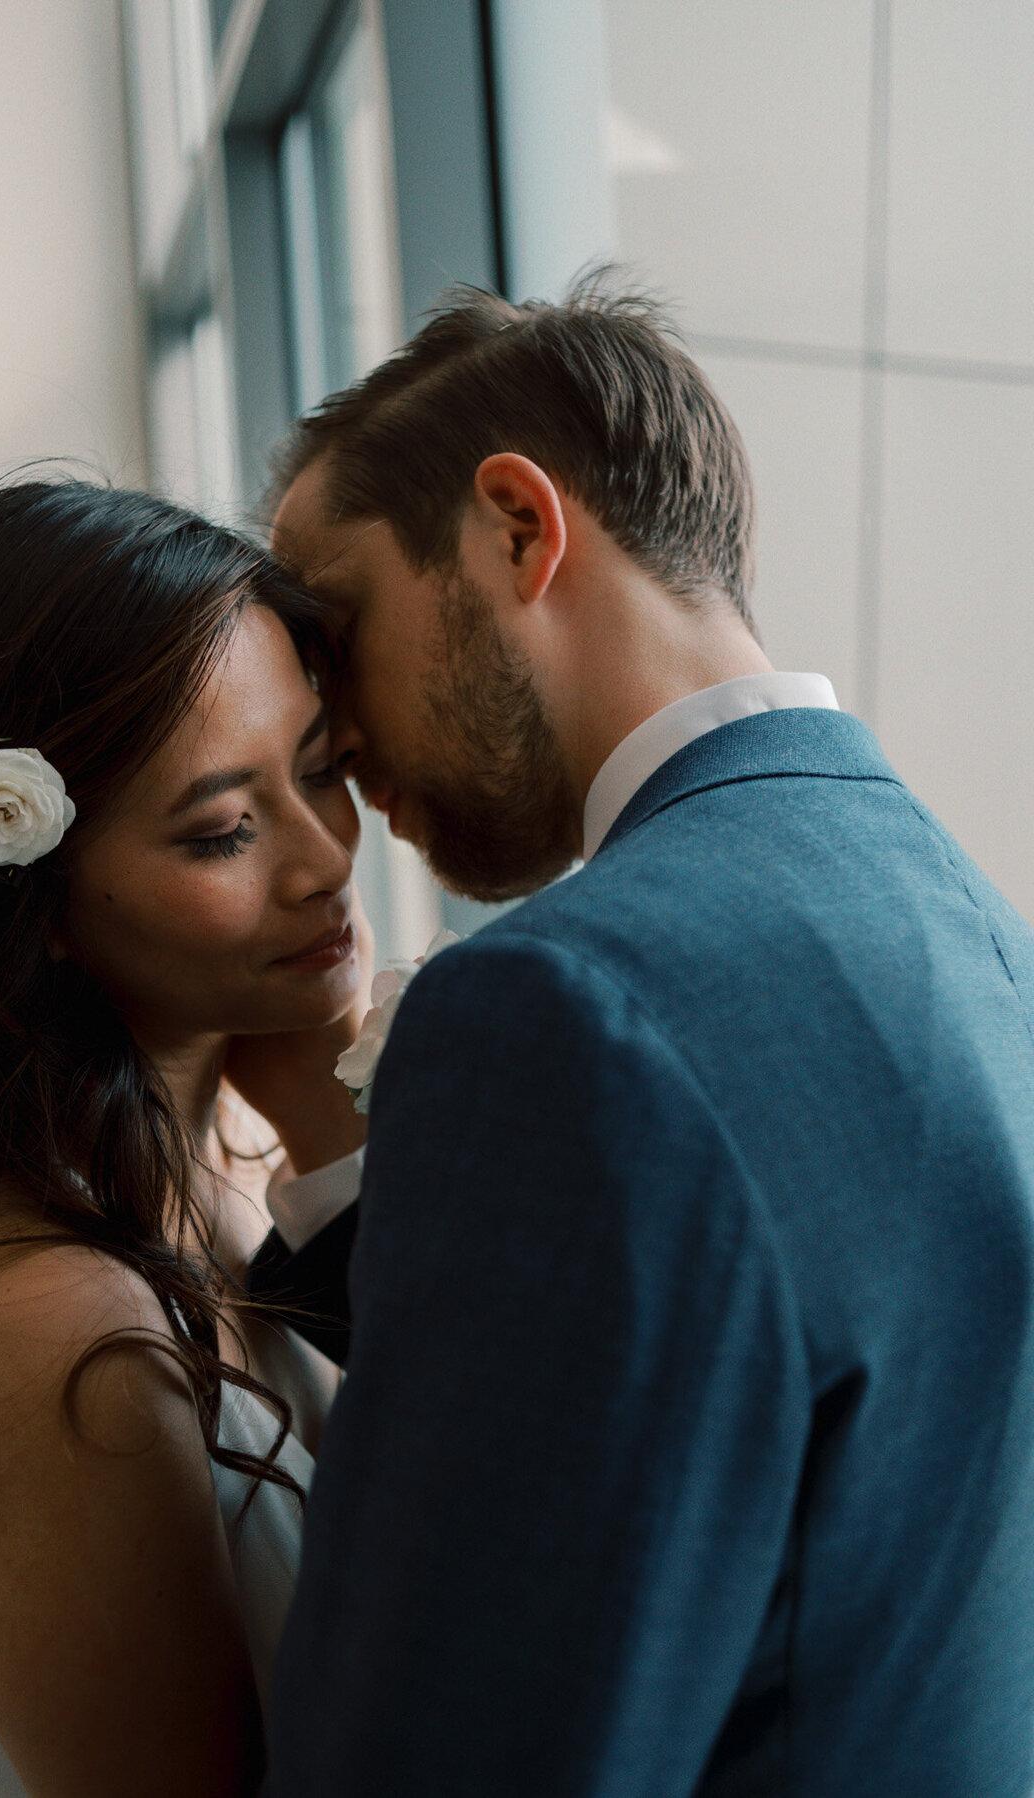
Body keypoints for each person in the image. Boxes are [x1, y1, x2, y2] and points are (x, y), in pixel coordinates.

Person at [250, 280, 1034, 1796]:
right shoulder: (987, 936)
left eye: (334, 630)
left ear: (519, 527)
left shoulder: (567, 1013)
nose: (330, 735)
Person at [0, 479, 371, 1798]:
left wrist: (325, 1127)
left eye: (322, 768)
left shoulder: (231, 1159)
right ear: (38, 902)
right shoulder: (46, 1337)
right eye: (225, 829)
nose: (324, 861)